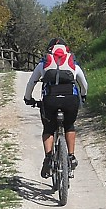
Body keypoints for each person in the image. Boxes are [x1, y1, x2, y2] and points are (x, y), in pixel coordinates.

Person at [23, 37, 88, 179]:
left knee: (48, 128)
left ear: (50, 50)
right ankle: (70, 156)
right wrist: (83, 96)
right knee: (69, 125)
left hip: (50, 101)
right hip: (70, 101)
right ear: (66, 50)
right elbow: (84, 84)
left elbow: (31, 83)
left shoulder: (44, 63)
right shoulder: (73, 64)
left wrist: (28, 98)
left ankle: (48, 157)